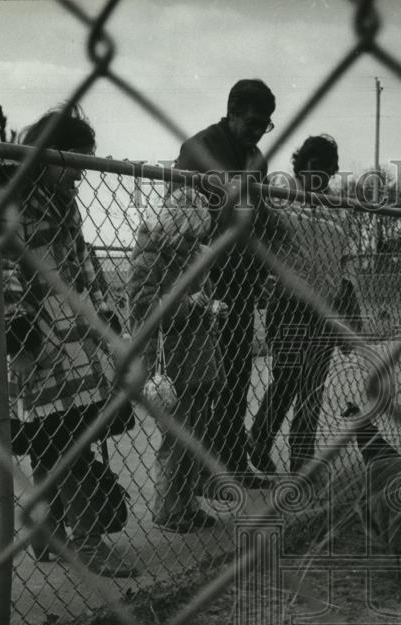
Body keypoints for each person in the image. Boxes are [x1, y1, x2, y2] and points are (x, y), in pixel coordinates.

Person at [3, 105, 137, 576]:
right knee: (60, 441)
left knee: (63, 439)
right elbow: (6, 272)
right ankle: (87, 538)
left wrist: (108, 323)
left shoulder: (65, 204)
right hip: (39, 344)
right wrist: (17, 339)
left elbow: (86, 264)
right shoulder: (12, 201)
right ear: (47, 154)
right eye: (76, 161)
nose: (83, 173)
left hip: (77, 341)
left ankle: (50, 534)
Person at [173, 78, 276, 489]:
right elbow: (179, 217)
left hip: (243, 277)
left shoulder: (258, 158)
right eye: (252, 122)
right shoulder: (199, 148)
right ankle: (198, 471)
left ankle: (231, 464)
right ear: (232, 111)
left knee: (236, 374)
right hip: (206, 280)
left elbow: (260, 214)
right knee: (202, 381)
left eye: (265, 125)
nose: (257, 131)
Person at [247, 134, 356, 477]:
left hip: (324, 308)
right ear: (302, 166)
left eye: (328, 173)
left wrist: (350, 318)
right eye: (315, 171)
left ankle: (301, 463)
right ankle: (259, 441)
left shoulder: (337, 211)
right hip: (289, 304)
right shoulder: (280, 200)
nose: (321, 179)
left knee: (313, 385)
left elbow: (347, 267)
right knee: (287, 379)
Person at [128, 186, 226, 532]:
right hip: (169, 362)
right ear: (169, 230)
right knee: (176, 437)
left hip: (199, 356)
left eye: (197, 237)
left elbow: (206, 295)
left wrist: (211, 305)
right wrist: (187, 305)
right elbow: (141, 309)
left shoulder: (197, 255)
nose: (192, 245)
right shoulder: (149, 258)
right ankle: (169, 509)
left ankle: (187, 504)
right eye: (186, 238)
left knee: (195, 438)